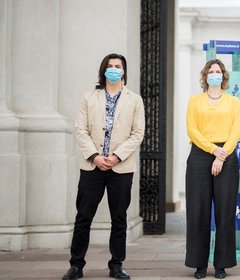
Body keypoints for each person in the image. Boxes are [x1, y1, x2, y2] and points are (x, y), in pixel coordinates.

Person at [62, 53, 145, 280]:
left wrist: (117, 156)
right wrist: (94, 156)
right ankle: (76, 265)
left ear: (124, 71)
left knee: (119, 218)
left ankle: (116, 265)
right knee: (83, 217)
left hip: (121, 168)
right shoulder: (89, 97)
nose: (114, 69)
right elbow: (81, 129)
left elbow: (137, 133)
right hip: (92, 166)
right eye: (110, 66)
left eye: (118, 66)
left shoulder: (134, 100)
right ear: (103, 70)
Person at [185, 59, 240, 279]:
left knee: (225, 211)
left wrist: (222, 154)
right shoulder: (194, 101)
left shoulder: (233, 102)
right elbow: (192, 130)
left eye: (218, 71)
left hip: (226, 155)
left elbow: (235, 131)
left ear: (224, 76)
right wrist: (213, 151)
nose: (214, 74)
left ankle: (221, 264)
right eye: (211, 71)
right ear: (205, 75)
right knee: (198, 211)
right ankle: (199, 264)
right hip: (200, 155)